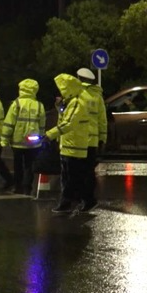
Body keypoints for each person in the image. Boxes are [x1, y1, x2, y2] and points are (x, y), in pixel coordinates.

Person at [44, 73, 90, 214]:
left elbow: (68, 123)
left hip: (74, 146)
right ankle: (79, 202)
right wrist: (59, 108)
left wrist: (49, 135)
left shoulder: (76, 102)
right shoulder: (71, 102)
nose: (60, 92)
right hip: (70, 145)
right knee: (72, 177)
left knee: (70, 178)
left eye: (62, 89)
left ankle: (67, 204)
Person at [0, 78, 46, 195]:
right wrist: (41, 137)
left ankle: (18, 186)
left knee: (18, 165)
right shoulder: (39, 105)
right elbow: (42, 125)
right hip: (33, 142)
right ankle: (28, 187)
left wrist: (4, 140)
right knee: (29, 165)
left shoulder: (17, 103)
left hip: (18, 141)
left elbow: (9, 123)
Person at [76, 67, 106, 211]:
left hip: (78, 140)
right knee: (89, 171)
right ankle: (89, 199)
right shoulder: (97, 96)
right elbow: (102, 120)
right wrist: (102, 138)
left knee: (76, 171)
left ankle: (79, 198)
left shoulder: (76, 94)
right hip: (92, 141)